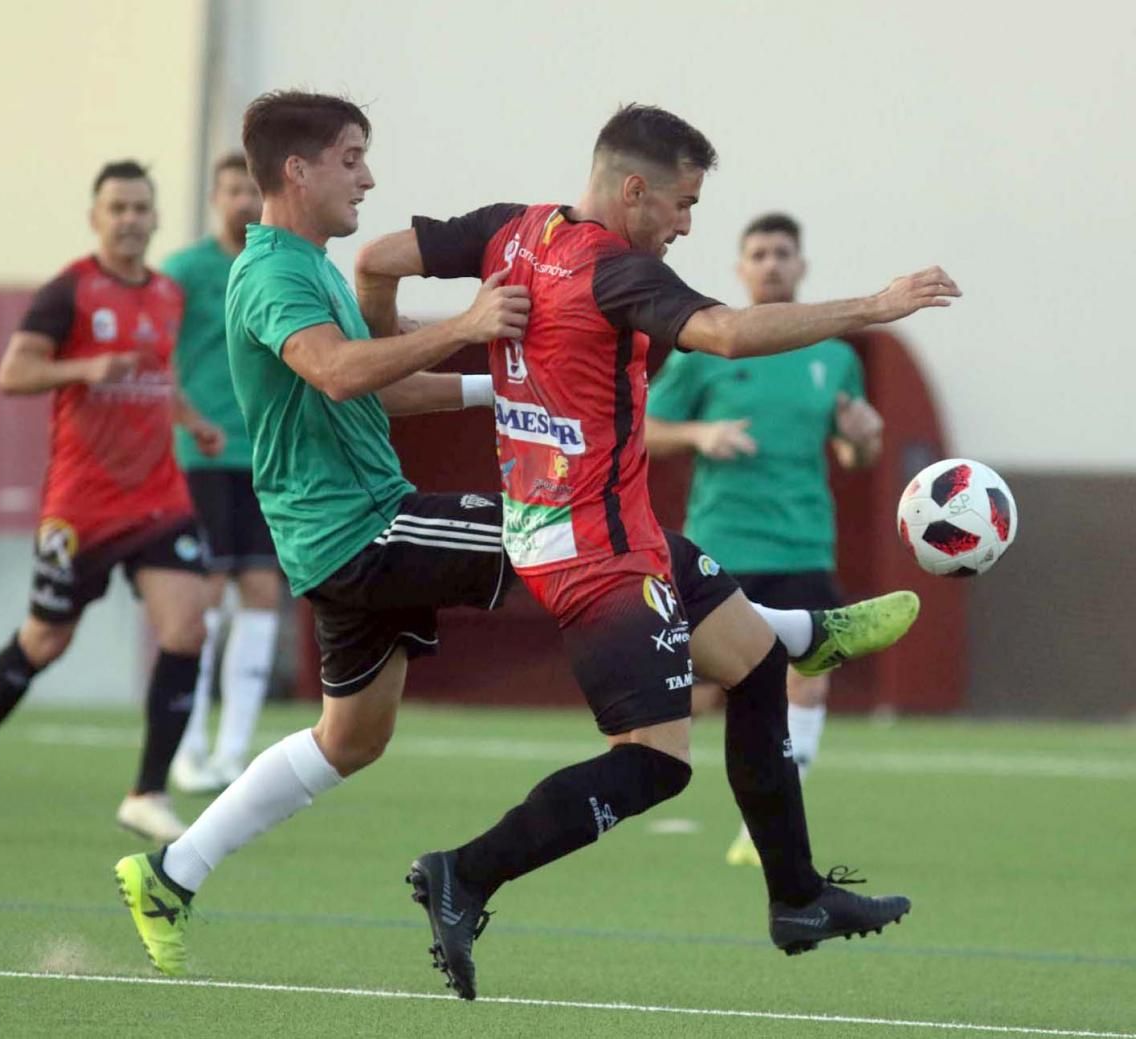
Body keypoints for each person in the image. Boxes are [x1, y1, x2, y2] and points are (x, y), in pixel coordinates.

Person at [113, 91, 916, 981]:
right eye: (351, 158)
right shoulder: (270, 274)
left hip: (350, 533)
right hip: (364, 528)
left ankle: (170, 871)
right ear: (297, 170)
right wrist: (465, 330)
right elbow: (341, 374)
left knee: (351, 739)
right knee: (575, 528)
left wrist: (505, 384)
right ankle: (805, 631)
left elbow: (376, 372)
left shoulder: (318, 265)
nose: (369, 176)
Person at [356, 102, 957, 999]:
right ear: (631, 189)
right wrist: (872, 307)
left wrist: (396, 343)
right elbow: (723, 331)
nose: (685, 224)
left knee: (751, 666)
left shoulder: (508, 233)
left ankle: (797, 894)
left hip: (604, 525)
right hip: (596, 555)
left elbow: (374, 260)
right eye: (681, 204)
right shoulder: (614, 270)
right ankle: (465, 872)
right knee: (657, 760)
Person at [0, 161, 224, 843]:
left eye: (140, 207)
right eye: (117, 207)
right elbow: (14, 372)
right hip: (83, 505)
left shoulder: (166, 294)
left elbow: (160, 376)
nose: (129, 219)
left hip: (158, 495)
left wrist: (191, 419)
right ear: (95, 217)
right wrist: (84, 368)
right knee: (46, 640)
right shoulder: (67, 292)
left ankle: (147, 790)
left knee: (188, 627)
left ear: (156, 219)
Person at [645, 211, 885, 867]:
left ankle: (770, 823)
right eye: (759, 253)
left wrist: (864, 437)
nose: (772, 262)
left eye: (783, 252)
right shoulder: (712, 347)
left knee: (807, 680)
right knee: (703, 691)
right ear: (741, 268)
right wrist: (700, 435)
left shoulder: (833, 356)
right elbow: (641, 428)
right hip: (723, 542)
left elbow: (854, 451)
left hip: (803, 542)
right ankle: (625, 789)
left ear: (801, 264)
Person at [162, 152, 281, 794]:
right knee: (203, 597)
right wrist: (186, 420)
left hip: (265, 453)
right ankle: (190, 745)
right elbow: (161, 358)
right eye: (233, 189)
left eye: (252, 190)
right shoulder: (183, 273)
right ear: (215, 196)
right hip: (203, 455)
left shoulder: (276, 266)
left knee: (261, 592)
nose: (243, 200)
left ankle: (235, 752)